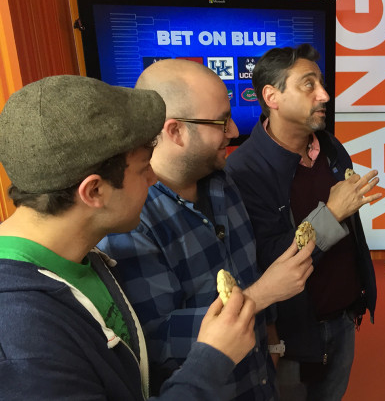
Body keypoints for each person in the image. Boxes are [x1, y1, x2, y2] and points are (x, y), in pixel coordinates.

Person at [0, 75, 259, 400]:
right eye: (142, 169)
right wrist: (212, 358)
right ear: (94, 191)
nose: (153, 179)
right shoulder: (21, 334)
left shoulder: (82, 259)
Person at [97, 59, 314, 401]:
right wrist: (261, 296)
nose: (232, 131)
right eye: (221, 121)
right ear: (174, 131)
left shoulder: (221, 181)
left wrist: (271, 340)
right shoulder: (131, 219)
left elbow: (248, 269)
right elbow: (155, 338)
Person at [225, 43, 380, 401]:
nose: (324, 94)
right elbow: (266, 259)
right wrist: (331, 214)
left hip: (343, 319)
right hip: (293, 334)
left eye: (321, 83)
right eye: (308, 84)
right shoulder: (244, 170)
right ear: (272, 96)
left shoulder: (330, 147)